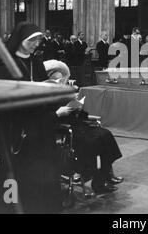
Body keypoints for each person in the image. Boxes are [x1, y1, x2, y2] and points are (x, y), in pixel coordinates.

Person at [0, 22, 62, 213]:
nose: (36, 43)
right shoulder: (4, 66)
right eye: (32, 40)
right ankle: (10, 208)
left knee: (40, 174)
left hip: (38, 130)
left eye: (38, 39)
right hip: (15, 130)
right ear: (20, 40)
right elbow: (1, 101)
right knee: (13, 174)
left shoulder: (37, 62)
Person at [44, 60, 124, 195]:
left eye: (61, 79)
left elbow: (76, 112)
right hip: (64, 128)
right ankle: (98, 180)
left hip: (78, 124)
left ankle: (105, 175)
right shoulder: (45, 94)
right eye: (57, 79)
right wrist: (59, 113)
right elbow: (47, 116)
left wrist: (77, 105)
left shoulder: (64, 92)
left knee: (106, 135)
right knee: (94, 142)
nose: (61, 81)